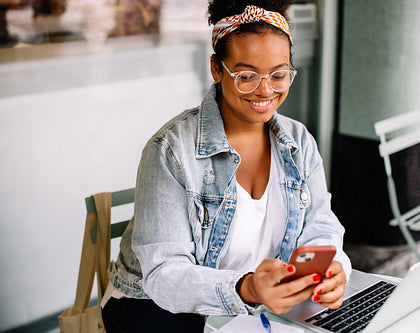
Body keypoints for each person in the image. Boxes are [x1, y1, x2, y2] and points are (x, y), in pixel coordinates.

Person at [101, 0, 352, 331]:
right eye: (247, 75)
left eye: (279, 74)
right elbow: (164, 275)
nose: (265, 90)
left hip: (252, 306)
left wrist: (331, 268)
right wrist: (245, 288)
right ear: (217, 69)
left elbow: (321, 225)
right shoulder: (170, 150)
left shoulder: (299, 142)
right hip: (158, 306)